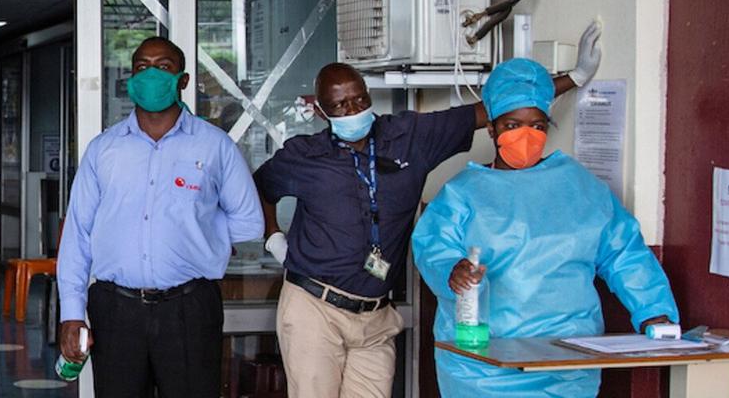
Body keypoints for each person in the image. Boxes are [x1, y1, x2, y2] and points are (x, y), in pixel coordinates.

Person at [253, 20, 602, 398]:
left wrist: (576, 77)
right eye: (340, 104)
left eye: (359, 99)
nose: (353, 109)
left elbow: (497, 109)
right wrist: (273, 236)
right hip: (314, 308)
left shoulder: (408, 137)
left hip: (375, 315)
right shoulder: (304, 156)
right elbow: (260, 187)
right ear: (322, 111)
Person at [413, 57, 678, 397]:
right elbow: (432, 247)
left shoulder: (581, 188)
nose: (526, 135)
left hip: (566, 365)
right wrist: (452, 270)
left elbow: (625, 253)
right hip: (484, 369)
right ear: (491, 129)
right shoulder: (462, 193)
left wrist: (654, 313)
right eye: (512, 125)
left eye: (537, 126)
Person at [56, 37, 266, 398]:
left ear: (183, 80)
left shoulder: (215, 146)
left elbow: (249, 221)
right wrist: (71, 313)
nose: (151, 74)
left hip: (190, 309)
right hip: (116, 308)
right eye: (141, 67)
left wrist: (199, 236)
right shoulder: (104, 150)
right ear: (131, 79)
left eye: (163, 66)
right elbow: (77, 235)